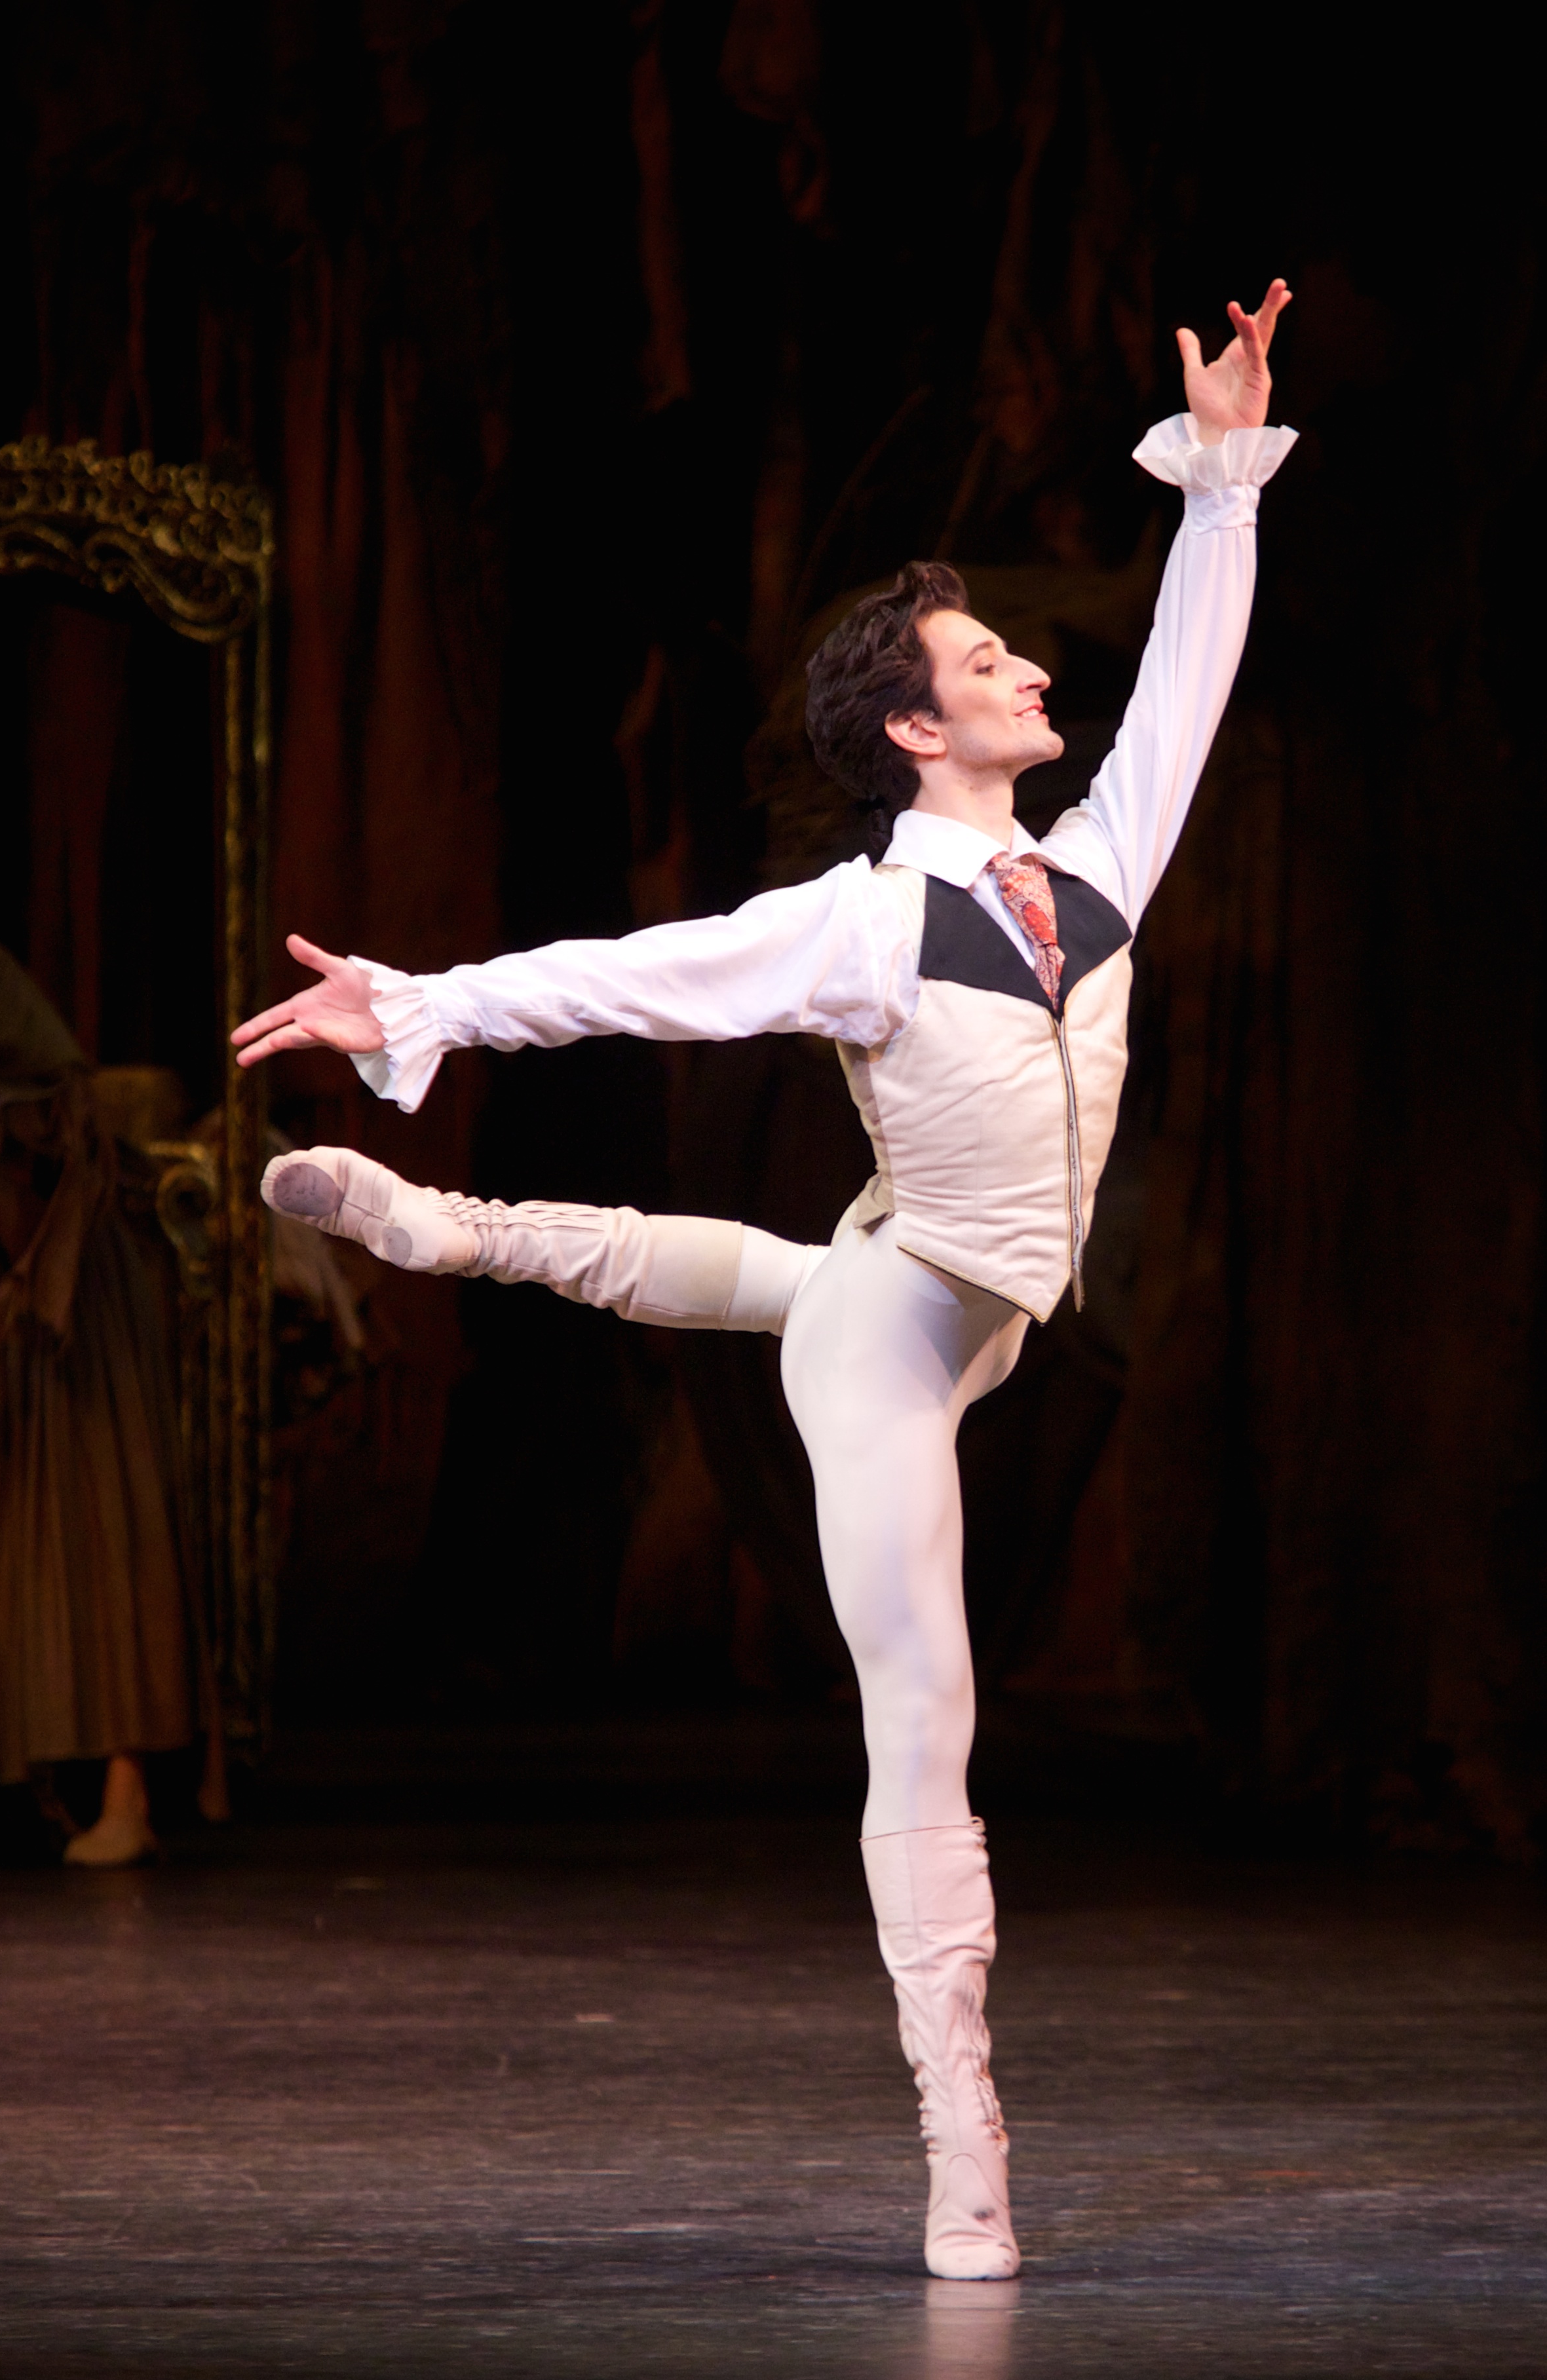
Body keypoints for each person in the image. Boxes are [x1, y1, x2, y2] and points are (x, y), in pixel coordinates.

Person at [233, 284, 1295, 2278]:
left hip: (949, 1303)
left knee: (781, 1279)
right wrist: (425, 1000)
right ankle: (961, 2137)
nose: (1025, 664)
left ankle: (452, 1232)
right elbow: (642, 975)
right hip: (899, 1337)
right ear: (914, 728)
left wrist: (1221, 475)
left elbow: (1185, 679)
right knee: (924, 1702)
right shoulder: (861, 923)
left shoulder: (1095, 868)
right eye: (980, 657)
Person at [0, 937, 223, 1865]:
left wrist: (23, 1305)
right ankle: (41, 1785)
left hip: (76, 1315)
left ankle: (127, 1794)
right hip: (9, 1317)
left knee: (107, 1544)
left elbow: (69, 1177)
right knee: (6, 1558)